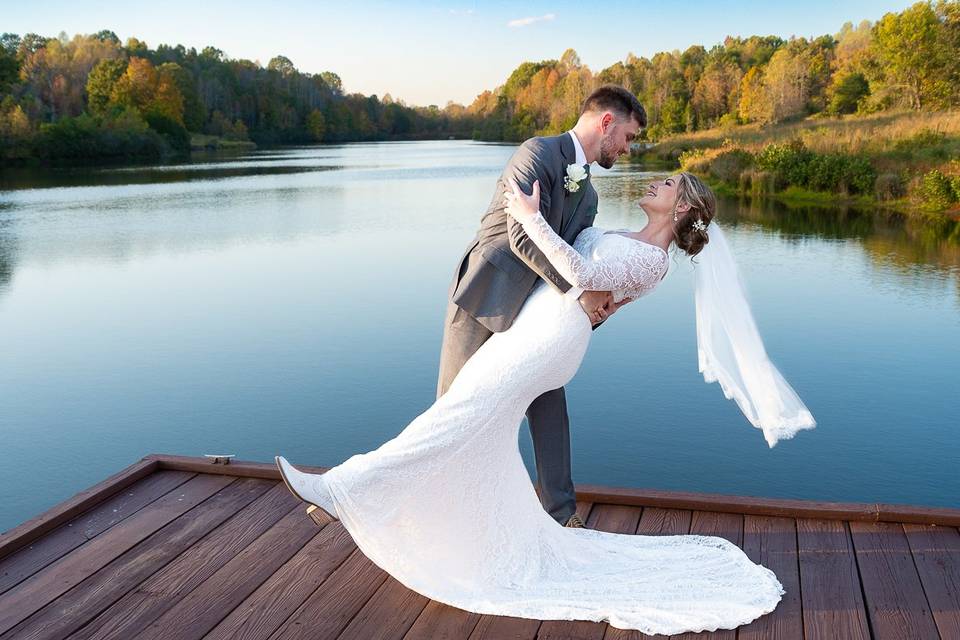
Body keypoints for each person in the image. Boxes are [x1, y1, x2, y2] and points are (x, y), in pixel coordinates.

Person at [276, 168, 816, 634]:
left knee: (457, 415)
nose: (656, 182)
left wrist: (531, 217)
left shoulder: (656, 260)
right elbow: (591, 281)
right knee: (477, 430)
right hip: (538, 328)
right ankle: (477, 539)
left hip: (551, 339)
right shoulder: (631, 237)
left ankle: (341, 487)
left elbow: (581, 274)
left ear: (684, 206)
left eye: (669, 182)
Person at [437, 84, 645, 528]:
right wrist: (578, 293)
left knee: (549, 405)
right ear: (606, 123)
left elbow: (576, 258)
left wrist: (603, 300)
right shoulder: (537, 153)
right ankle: (385, 493)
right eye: (628, 137)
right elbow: (522, 236)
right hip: (485, 296)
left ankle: (562, 515)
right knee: (450, 411)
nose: (628, 148)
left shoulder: (588, 195)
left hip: (537, 313)